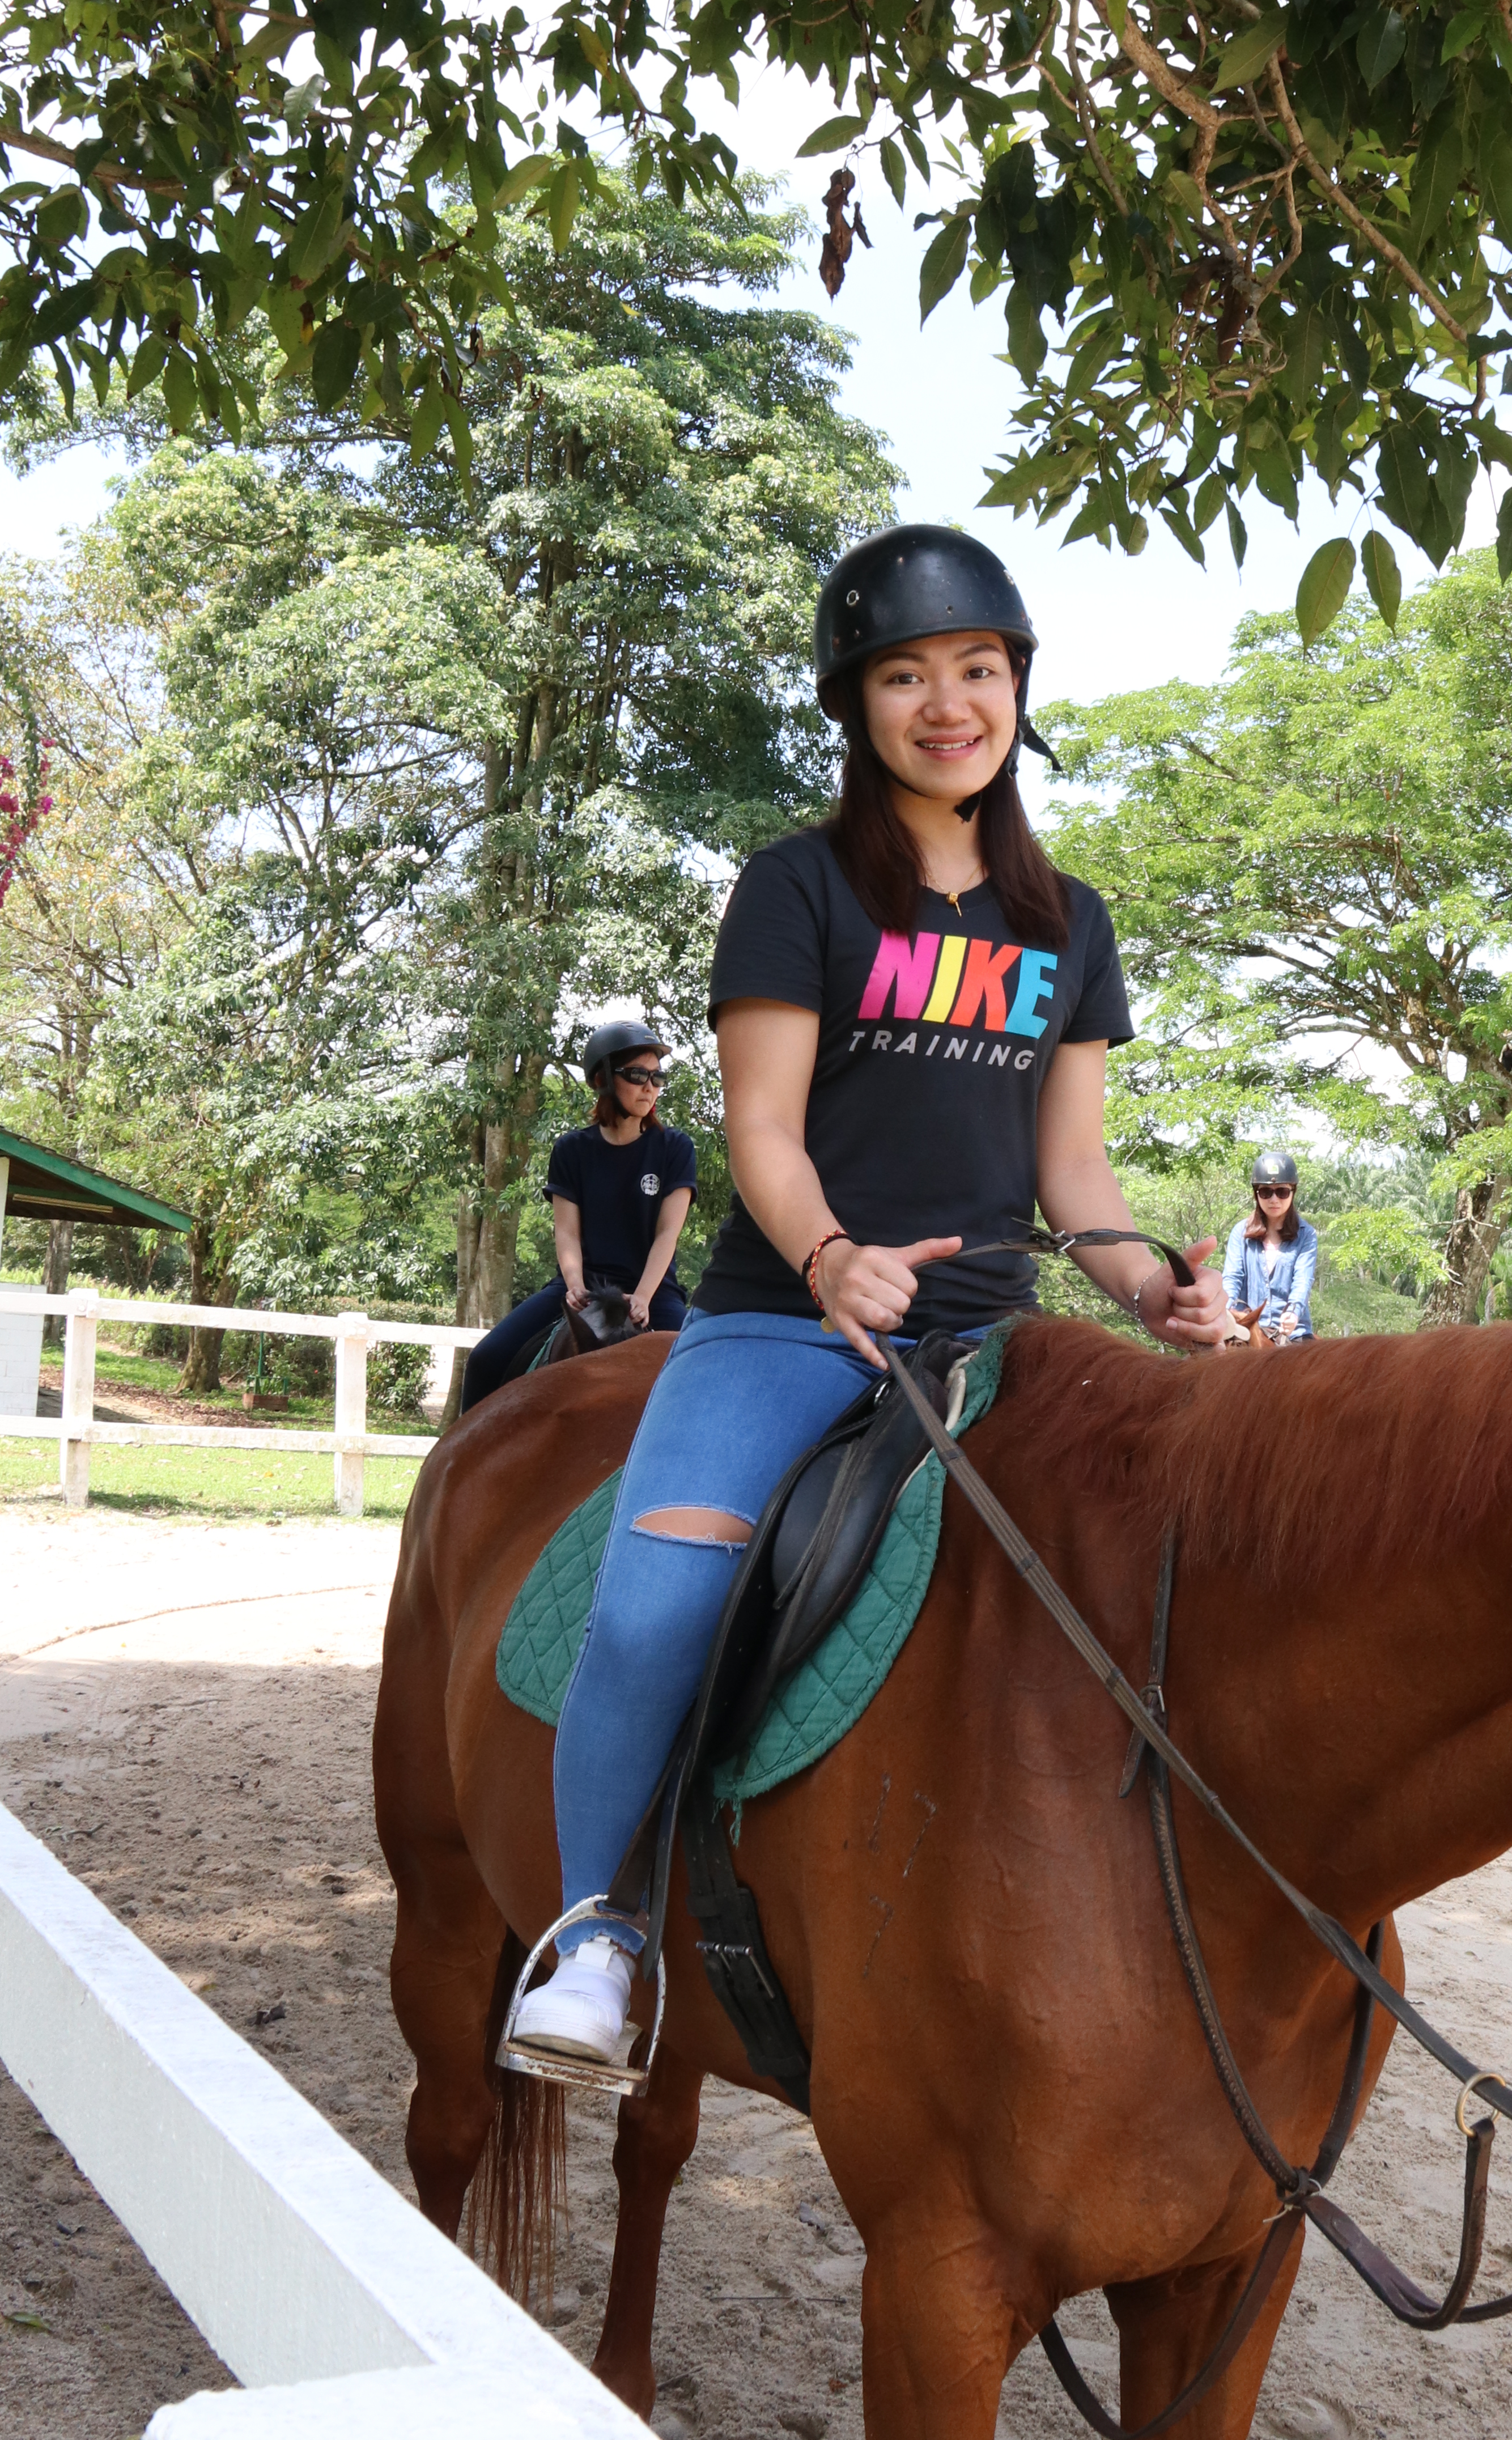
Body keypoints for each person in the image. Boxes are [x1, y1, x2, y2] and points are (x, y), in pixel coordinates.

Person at [507, 524, 1230, 2069]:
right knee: (654, 1608)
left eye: (977, 669)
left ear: (1017, 688)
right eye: (906, 675)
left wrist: (1150, 1280)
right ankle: (596, 1935)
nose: (947, 702)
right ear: (859, 706)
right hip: (785, 1318)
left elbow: (1076, 1175)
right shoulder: (799, 886)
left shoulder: (1068, 924)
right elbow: (760, 1125)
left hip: (990, 1334)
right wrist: (832, 1254)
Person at [459, 1017, 696, 1410]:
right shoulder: (572, 1150)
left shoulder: (675, 1148)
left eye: (658, 1077)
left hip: (653, 1290)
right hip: (581, 1288)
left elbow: (667, 1234)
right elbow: (567, 1233)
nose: (650, 1087)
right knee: (486, 1359)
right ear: (602, 1079)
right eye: (638, 1075)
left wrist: (642, 1297)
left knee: (700, 1372)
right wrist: (574, 1287)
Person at [1223, 1151, 1319, 1347]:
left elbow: (1303, 1280)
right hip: (1247, 1329)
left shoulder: (1306, 1235)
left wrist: (1292, 1313)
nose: (1274, 1199)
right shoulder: (1240, 1232)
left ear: (1293, 1192)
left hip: (1293, 1333)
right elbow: (1232, 1278)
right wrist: (1223, 1311)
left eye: (1282, 1192)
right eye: (1266, 1192)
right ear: (1256, 1194)